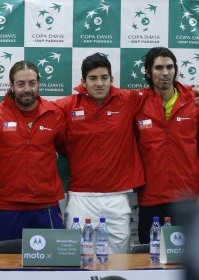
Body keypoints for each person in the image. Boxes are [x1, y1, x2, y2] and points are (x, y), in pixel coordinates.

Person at [54, 53, 145, 253]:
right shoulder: (67, 106)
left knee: (117, 258)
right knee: (77, 258)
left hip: (117, 196)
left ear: (111, 80)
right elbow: (36, 109)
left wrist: (192, 92)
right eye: (93, 78)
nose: (99, 83)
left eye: (104, 78)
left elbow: (161, 94)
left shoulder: (128, 99)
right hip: (80, 196)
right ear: (83, 82)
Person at [0, 60, 66, 242]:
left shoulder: (55, 114)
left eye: (32, 83)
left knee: (55, 266)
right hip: (10, 204)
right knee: (7, 265)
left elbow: (64, 146)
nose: (27, 89)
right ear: (11, 86)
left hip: (46, 204)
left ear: (39, 83)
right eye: (21, 84)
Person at [136, 47, 199, 244]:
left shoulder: (193, 102)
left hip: (185, 194)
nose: (165, 73)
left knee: (184, 261)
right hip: (151, 196)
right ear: (148, 72)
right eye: (159, 67)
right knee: (148, 258)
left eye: (170, 67)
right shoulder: (136, 103)